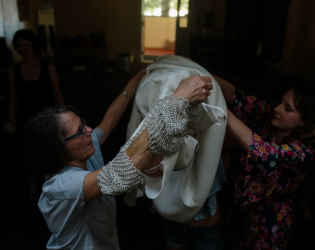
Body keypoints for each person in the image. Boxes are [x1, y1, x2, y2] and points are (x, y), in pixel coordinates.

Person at [23, 72, 213, 249]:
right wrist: (179, 99)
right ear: (58, 149)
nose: (89, 130)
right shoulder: (61, 187)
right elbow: (119, 173)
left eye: (83, 123)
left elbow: (109, 121)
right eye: (80, 131)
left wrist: (138, 78)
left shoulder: (82, 150)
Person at [213, 74, 315, 249]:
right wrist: (199, 73)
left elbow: (264, 153)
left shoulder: (303, 152)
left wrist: (222, 111)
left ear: (303, 121)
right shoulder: (269, 117)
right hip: (241, 207)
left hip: (269, 220)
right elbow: (235, 96)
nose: (277, 108)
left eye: (287, 108)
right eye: (281, 102)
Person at [8, 29, 64, 200]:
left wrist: (65, 117)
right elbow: (13, 96)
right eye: (19, 45)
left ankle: (55, 184)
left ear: (33, 47)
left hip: (47, 119)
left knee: (49, 151)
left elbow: (57, 95)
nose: (22, 49)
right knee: (29, 154)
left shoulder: (49, 67)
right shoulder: (14, 70)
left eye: (26, 45)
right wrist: (11, 115)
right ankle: (33, 185)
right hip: (26, 118)